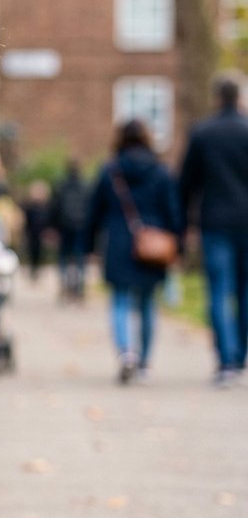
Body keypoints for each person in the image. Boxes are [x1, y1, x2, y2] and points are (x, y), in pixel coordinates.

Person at [85, 119, 180, 383]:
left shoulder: (110, 170)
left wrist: (89, 246)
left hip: (118, 243)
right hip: (154, 244)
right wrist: (177, 245)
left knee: (120, 300)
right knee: (148, 303)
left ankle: (126, 352)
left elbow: (94, 212)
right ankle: (145, 363)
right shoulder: (161, 171)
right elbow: (173, 212)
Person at [178, 72, 248, 385]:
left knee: (219, 291)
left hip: (215, 223)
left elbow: (186, 183)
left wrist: (183, 224)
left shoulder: (203, 133)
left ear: (217, 97)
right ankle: (241, 355)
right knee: (245, 291)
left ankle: (226, 361)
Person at [51, 159, 89, 300]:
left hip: (64, 226)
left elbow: (55, 207)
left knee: (63, 257)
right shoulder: (85, 186)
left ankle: (64, 285)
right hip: (81, 226)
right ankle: (79, 287)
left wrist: (53, 226)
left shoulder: (61, 186)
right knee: (80, 258)